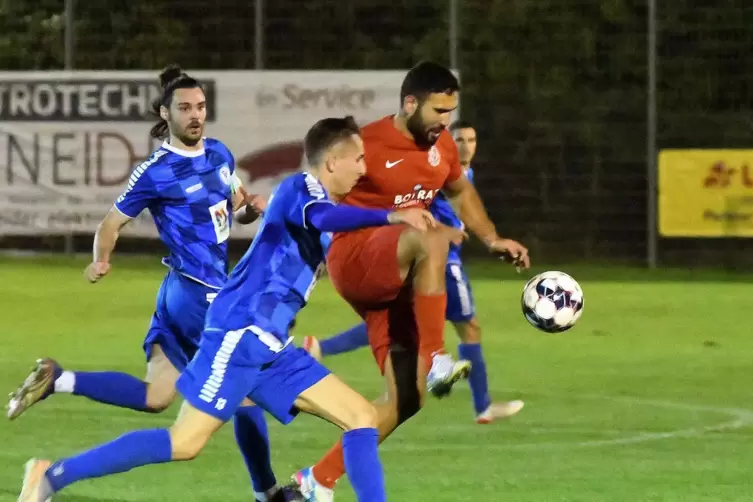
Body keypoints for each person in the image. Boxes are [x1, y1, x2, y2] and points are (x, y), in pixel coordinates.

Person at [17, 115, 436, 502]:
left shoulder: (326, 204)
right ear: (331, 163)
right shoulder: (301, 189)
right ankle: (50, 476)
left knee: (362, 418)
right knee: (184, 442)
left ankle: (270, 491)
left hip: (270, 343)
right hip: (240, 332)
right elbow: (323, 217)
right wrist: (392, 216)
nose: (365, 168)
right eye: (359, 159)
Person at [6, 64, 291, 501]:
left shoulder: (219, 154)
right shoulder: (156, 171)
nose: (196, 115)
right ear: (166, 113)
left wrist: (249, 210)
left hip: (186, 292)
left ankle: (60, 381)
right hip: (200, 294)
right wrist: (101, 260)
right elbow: (110, 223)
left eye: (200, 107)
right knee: (245, 390)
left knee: (158, 395)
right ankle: (267, 492)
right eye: (185, 108)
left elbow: (234, 208)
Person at [292, 62, 530, 501]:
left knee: (407, 399)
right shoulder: (369, 143)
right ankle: (438, 354)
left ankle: (317, 479)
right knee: (432, 238)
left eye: (451, 112)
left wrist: (492, 237)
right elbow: (321, 195)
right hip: (357, 259)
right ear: (410, 103)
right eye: (439, 111)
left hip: (401, 278)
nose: (446, 122)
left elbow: (459, 192)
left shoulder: (442, 148)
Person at [303, 120, 525, 424]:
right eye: (459, 139)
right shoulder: (303, 192)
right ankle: (471, 393)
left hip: (422, 251)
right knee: (467, 327)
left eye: (471, 140)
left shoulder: (456, 170)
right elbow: (411, 204)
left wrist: (489, 238)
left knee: (407, 396)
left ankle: (318, 473)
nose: (465, 145)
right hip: (428, 255)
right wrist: (427, 226)